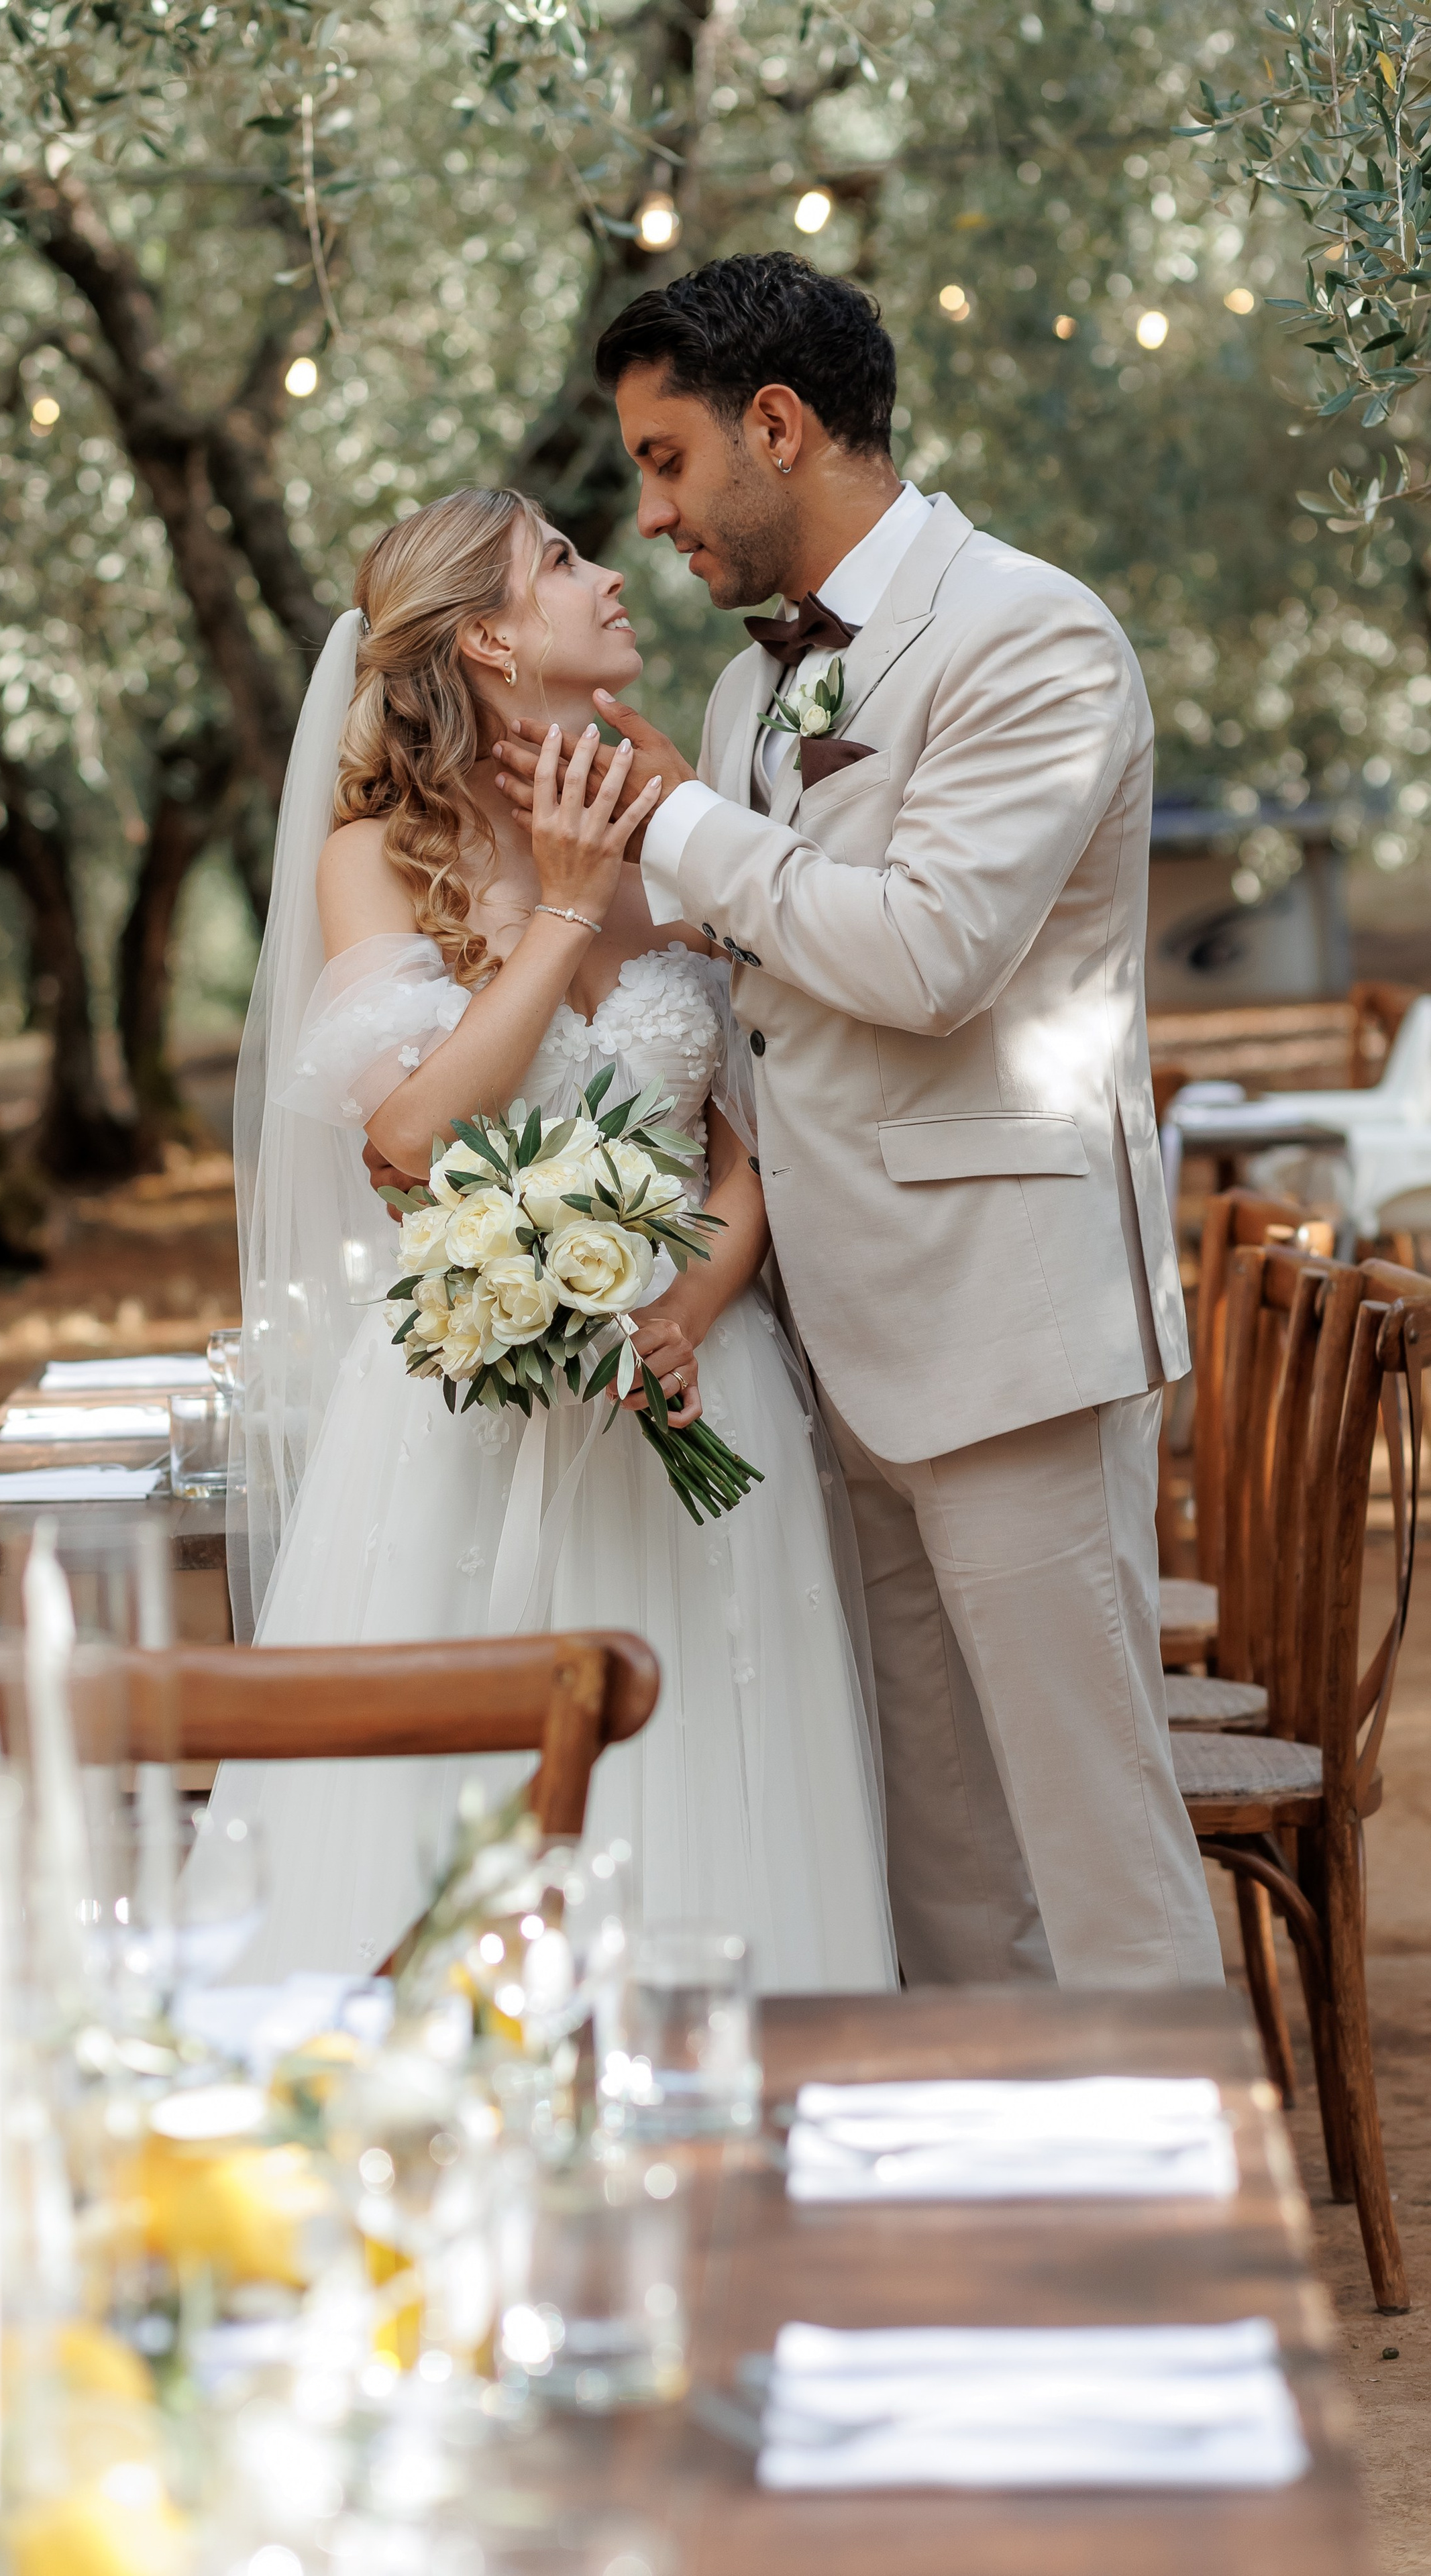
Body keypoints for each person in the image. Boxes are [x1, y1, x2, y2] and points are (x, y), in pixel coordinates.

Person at [492, 252, 1224, 1991]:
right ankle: (995, 2234)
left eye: (667, 462)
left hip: (1007, 1331)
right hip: (834, 1345)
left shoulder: (1031, 636)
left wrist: (677, 826)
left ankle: (1171, 2257)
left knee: (1096, 1852)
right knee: (944, 1870)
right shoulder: (749, 695)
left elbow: (929, 954)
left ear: (777, 422)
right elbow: (762, 991)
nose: (653, 515)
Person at [197, 485, 897, 1995]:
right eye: (562, 561)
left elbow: (749, 1136)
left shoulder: (684, 822)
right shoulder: (376, 857)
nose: (612, 572)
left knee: (725, 1783)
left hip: (704, 1387)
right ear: (493, 641)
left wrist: (688, 1305)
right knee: (459, 1816)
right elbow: (413, 1137)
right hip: (466, 1418)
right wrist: (568, 914)